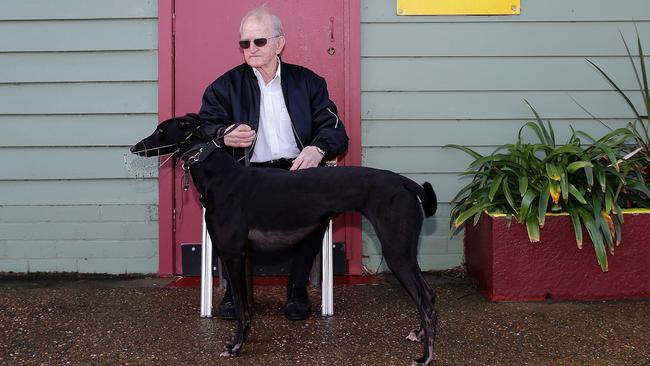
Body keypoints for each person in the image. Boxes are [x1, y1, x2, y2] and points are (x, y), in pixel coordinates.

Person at [198, 6, 349, 321]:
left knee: (316, 208)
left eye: (259, 42)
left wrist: (318, 149)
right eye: (245, 43)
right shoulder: (224, 87)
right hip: (246, 174)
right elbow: (202, 128)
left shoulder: (308, 83)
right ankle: (235, 293)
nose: (251, 49)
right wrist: (222, 135)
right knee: (227, 214)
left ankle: (296, 289)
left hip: (295, 171)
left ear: (279, 44)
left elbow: (334, 130)